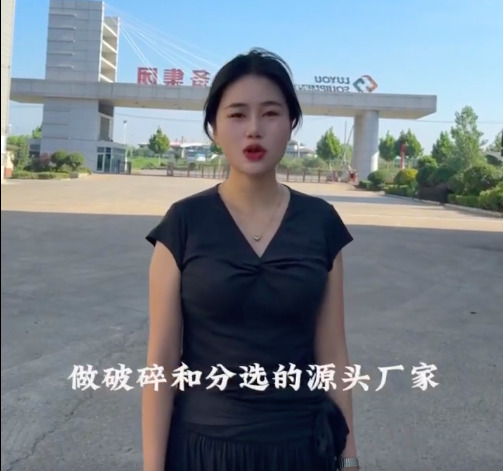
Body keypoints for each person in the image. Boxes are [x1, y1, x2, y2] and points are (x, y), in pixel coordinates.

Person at [143, 48, 359, 471]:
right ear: (214, 128)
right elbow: (161, 362)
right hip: (203, 449)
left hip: (302, 448)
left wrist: (349, 457)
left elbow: (334, 353)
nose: (254, 130)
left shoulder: (321, 222)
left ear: (291, 124)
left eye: (271, 113)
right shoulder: (183, 223)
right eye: (238, 114)